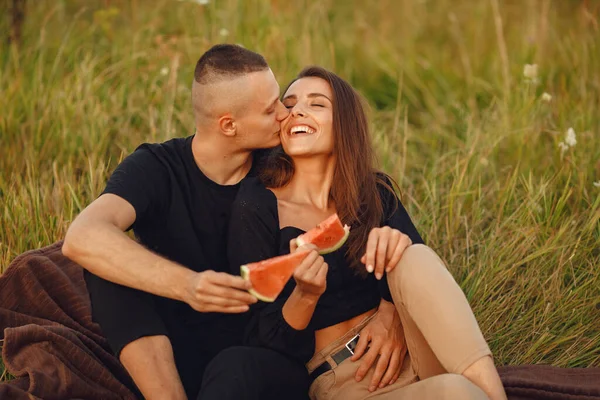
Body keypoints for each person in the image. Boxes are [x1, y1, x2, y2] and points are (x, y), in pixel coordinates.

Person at [62, 45, 404, 400]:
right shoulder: (156, 167)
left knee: (237, 366)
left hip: (263, 351)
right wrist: (189, 286)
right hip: (175, 343)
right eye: (273, 109)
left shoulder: (279, 167)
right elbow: (82, 236)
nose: (286, 115)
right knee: (104, 266)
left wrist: (392, 307)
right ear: (229, 125)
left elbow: (366, 199)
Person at [227, 66, 508, 400]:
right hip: (348, 379)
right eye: (289, 104)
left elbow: (425, 282)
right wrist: (305, 294)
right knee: (457, 391)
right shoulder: (256, 203)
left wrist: (390, 311)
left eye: (317, 104)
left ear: (345, 123)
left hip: (414, 346)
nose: (297, 110)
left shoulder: (374, 192)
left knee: (413, 254)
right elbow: (258, 338)